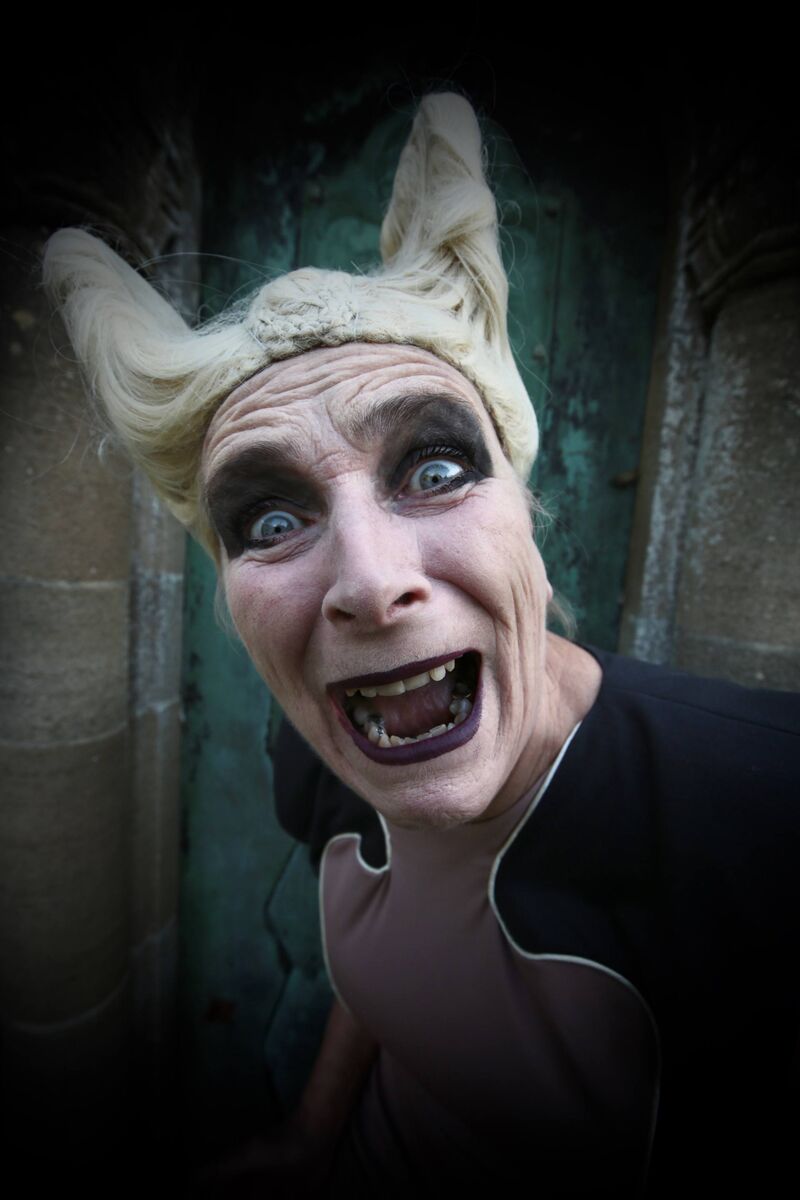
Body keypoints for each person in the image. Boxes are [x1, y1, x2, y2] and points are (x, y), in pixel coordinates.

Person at [44, 94, 799, 1197]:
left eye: (434, 468)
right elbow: (403, 965)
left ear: (529, 523)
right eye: (267, 520)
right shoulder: (327, 752)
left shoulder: (760, 822)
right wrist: (311, 1136)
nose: (366, 580)